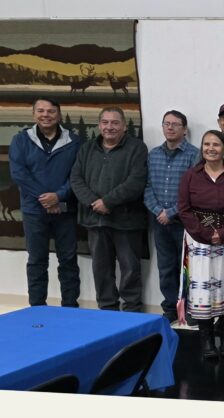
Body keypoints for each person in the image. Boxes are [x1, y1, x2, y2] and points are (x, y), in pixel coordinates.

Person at [69, 107, 148, 312]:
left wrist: (108, 202)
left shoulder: (137, 148)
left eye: (115, 123)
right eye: (105, 122)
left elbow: (136, 181)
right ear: (99, 125)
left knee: (130, 268)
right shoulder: (87, 148)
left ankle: (132, 311)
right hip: (94, 220)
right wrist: (93, 202)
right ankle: (107, 309)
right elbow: (76, 179)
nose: (109, 127)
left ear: (124, 126)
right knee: (101, 268)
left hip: (127, 221)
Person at [177, 130, 224, 359]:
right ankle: (206, 339)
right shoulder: (190, 176)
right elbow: (184, 209)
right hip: (200, 242)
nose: (211, 148)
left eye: (216, 144)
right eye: (206, 144)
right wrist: (206, 234)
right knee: (204, 291)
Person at [9, 98, 82, 307]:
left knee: (68, 261)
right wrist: (46, 199)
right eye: (40, 111)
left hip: (65, 210)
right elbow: (19, 174)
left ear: (59, 114)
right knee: (36, 261)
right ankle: (37, 308)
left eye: (51, 111)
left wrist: (58, 196)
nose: (46, 115)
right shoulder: (20, 140)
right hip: (34, 211)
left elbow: (77, 175)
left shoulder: (74, 141)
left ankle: (70, 308)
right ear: (33, 114)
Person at [144, 110, 200, 322]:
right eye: (166, 123)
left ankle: (189, 309)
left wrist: (171, 212)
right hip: (159, 222)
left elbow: (195, 191)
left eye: (175, 124)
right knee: (166, 267)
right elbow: (147, 186)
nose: (170, 127)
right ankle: (170, 308)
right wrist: (158, 211)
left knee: (188, 267)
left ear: (184, 130)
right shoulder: (153, 155)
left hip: (184, 222)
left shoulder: (194, 155)